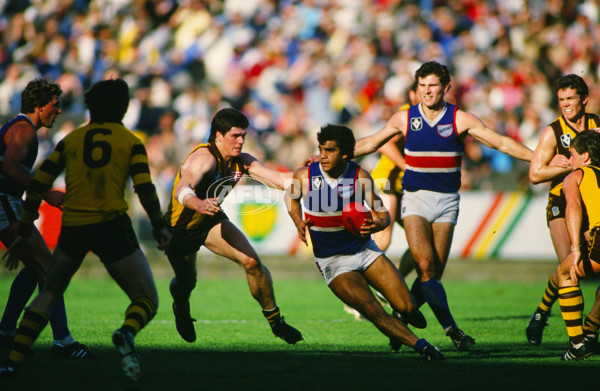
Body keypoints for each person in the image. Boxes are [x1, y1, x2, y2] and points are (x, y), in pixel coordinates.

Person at [0, 78, 172, 381]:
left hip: (74, 224)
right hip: (110, 223)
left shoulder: (71, 139)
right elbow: (144, 189)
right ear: (123, 107)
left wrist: (26, 230)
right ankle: (101, 335)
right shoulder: (130, 141)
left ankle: (11, 349)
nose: (59, 110)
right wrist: (159, 226)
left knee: (45, 278)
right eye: (55, 104)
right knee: (146, 297)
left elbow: (40, 182)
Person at [355, 61, 532, 351]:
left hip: (448, 202)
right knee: (423, 264)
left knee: (432, 275)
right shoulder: (404, 118)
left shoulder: (461, 118)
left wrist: (539, 158)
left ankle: (401, 314)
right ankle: (453, 331)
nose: (426, 91)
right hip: (414, 198)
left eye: (432, 86)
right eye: (422, 86)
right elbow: (372, 142)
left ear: (446, 88)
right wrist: (330, 153)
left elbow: (500, 142)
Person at [286, 123, 443, 361]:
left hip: (365, 250)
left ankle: (403, 320)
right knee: (372, 310)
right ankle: (424, 348)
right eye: (320, 149)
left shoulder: (359, 176)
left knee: (408, 307)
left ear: (345, 154)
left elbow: (383, 213)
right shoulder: (304, 175)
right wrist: (298, 221)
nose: (322, 156)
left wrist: (379, 223)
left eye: (329, 150)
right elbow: (291, 199)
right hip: (333, 261)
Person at [164, 107, 302, 345]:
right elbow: (181, 189)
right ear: (218, 135)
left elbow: (280, 181)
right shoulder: (203, 159)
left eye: (243, 136)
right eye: (235, 136)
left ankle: (276, 321)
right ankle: (181, 307)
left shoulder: (242, 162)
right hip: (180, 229)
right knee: (187, 282)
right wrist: (198, 204)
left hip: (210, 221)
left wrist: (316, 174)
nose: (240, 141)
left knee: (252, 263)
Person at [0, 78, 93, 359]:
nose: (60, 111)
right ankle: (63, 340)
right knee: (49, 268)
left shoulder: (21, 127)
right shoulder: (24, 130)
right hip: (3, 202)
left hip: (9, 201)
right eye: (55, 105)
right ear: (39, 106)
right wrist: (45, 193)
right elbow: (9, 167)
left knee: (34, 267)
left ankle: (5, 330)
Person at [525, 74, 600, 346]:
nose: (565, 105)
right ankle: (569, 334)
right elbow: (534, 174)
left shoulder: (596, 125)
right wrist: (565, 166)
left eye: (570, 99)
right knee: (570, 264)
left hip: (593, 204)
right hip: (562, 202)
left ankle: (589, 328)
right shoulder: (552, 132)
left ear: (584, 99)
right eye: (561, 100)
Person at [344, 81, 419, 320]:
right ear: (412, 93)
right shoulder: (406, 114)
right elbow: (384, 144)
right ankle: (359, 289)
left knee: (421, 246)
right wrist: (407, 167)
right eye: (421, 90)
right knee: (382, 236)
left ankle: (388, 283)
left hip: (401, 187)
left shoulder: (433, 118)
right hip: (385, 181)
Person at [555, 130, 600, 360]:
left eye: (571, 154)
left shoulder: (576, 175)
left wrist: (575, 249)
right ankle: (591, 332)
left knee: (564, 272)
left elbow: (573, 206)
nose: (569, 159)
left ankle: (577, 344)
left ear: (585, 156)